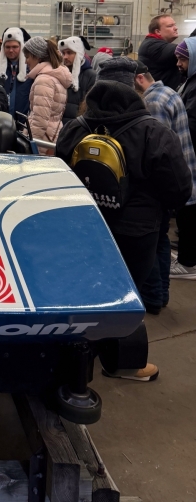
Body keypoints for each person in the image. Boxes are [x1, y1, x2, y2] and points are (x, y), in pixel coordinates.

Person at [57, 80, 192, 381]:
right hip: (136, 230)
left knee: (81, 290)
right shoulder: (153, 132)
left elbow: (56, 173)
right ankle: (124, 364)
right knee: (125, 297)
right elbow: (179, 187)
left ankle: (69, 355)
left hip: (83, 225)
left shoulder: (75, 127)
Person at [134, 62, 196, 302]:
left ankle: (155, 296)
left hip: (164, 184)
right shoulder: (168, 91)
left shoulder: (153, 103)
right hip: (181, 174)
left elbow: (158, 152)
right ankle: (161, 293)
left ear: (139, 79)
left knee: (155, 240)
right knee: (159, 240)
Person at [172, 38, 196, 278]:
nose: (179, 63)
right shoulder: (189, 81)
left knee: (190, 209)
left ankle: (189, 263)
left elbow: (191, 122)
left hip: (192, 155)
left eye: (183, 59)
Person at [22, 36, 71, 145]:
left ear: (37, 57)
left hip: (42, 141)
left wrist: (30, 145)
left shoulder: (44, 80)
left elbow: (40, 121)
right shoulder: (55, 76)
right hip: (52, 135)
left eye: (28, 57)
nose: (26, 61)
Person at [0, 27, 32, 117]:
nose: (11, 50)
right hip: (0, 122)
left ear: (21, 47)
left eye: (15, 47)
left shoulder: (31, 69)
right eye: (7, 47)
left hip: (23, 123)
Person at [138, 14, 182, 89]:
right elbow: (185, 49)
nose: (176, 28)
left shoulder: (153, 43)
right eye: (170, 26)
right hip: (161, 96)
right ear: (158, 31)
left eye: (175, 25)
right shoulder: (152, 45)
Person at [59, 36, 96, 124]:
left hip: (77, 128)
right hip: (59, 128)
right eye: (63, 53)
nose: (65, 57)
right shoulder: (60, 74)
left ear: (79, 54)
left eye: (69, 53)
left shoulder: (91, 76)